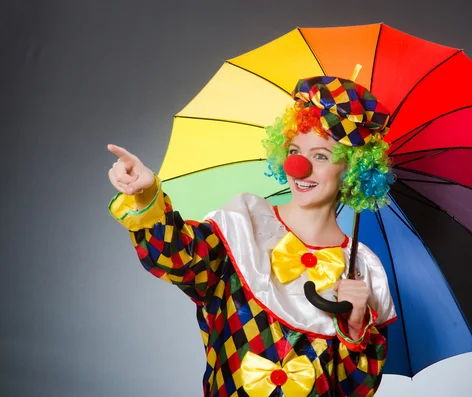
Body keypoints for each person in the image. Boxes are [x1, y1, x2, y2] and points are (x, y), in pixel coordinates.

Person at [107, 75, 398, 397]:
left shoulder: (362, 269)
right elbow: (177, 258)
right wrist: (147, 195)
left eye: (320, 156)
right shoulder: (242, 226)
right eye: (294, 150)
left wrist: (356, 323)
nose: (299, 166)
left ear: (354, 171)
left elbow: (354, 388)